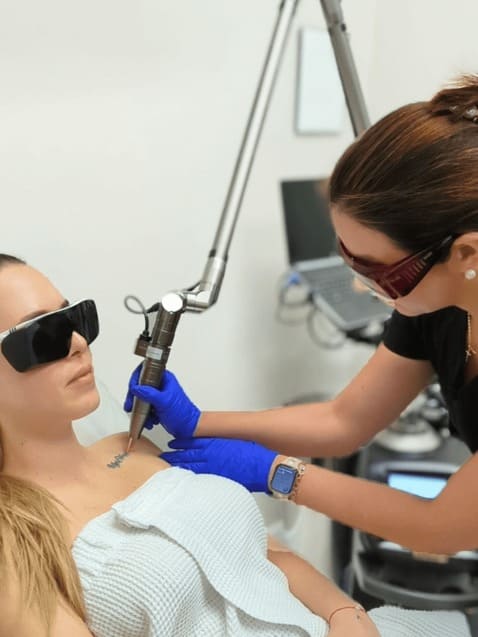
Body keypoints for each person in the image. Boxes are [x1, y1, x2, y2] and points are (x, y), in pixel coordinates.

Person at [125, 74, 478, 563]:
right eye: (347, 258)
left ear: (466, 255)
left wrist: (278, 474)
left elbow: (440, 529)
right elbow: (344, 420)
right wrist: (200, 421)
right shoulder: (434, 303)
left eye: (377, 271)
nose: (362, 286)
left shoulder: (430, 293)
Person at [0, 253, 391, 637]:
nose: (78, 342)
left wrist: (345, 613)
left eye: (75, 318)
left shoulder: (132, 446)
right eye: (43, 335)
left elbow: (268, 555)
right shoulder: (14, 539)